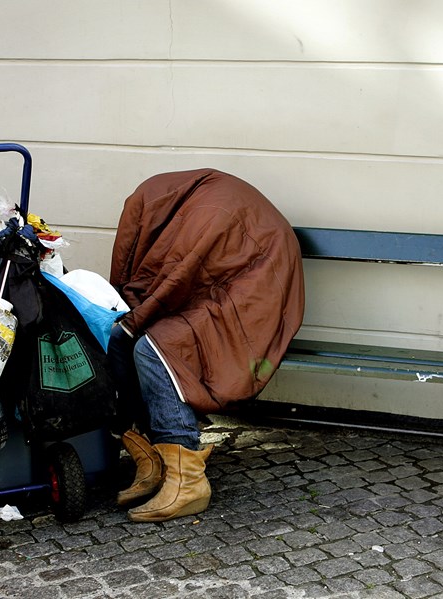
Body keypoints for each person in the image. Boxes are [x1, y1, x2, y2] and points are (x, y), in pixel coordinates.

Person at [107, 168, 305, 522]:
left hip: (256, 298)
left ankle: (188, 479)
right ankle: (153, 459)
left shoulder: (205, 212)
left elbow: (175, 279)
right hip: (230, 289)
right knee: (128, 340)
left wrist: (133, 320)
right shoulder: (192, 203)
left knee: (156, 348)